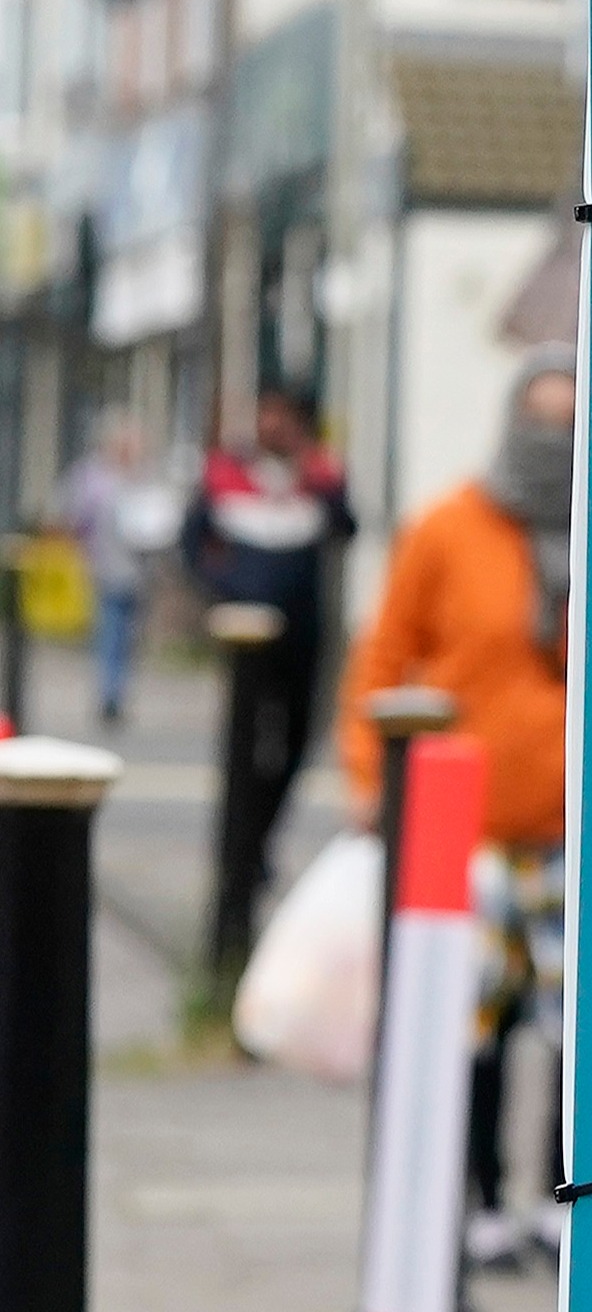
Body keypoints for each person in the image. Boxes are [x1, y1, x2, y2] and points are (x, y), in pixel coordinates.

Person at [340, 350, 578, 1256]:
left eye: (568, 420)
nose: (550, 441)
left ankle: (558, 1196)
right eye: (538, 418)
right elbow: (383, 655)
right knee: (475, 1022)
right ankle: (476, 1200)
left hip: (568, 830)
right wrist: (371, 775)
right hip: (466, 821)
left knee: (571, 1027)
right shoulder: (450, 528)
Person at [190, 386, 351, 939]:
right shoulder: (226, 474)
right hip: (246, 640)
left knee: (296, 745)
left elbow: (344, 526)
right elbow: (192, 541)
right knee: (244, 758)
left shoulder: (318, 478)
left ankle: (255, 843)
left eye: (284, 415)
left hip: (303, 636)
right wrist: (219, 589)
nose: (272, 425)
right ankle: (238, 874)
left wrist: (320, 472)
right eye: (266, 413)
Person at [52, 411, 169, 725]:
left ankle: (117, 692)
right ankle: (110, 694)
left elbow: (162, 518)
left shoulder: (144, 476)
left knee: (127, 636)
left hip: (139, 571)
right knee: (110, 632)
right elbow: (73, 513)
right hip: (106, 567)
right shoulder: (94, 476)